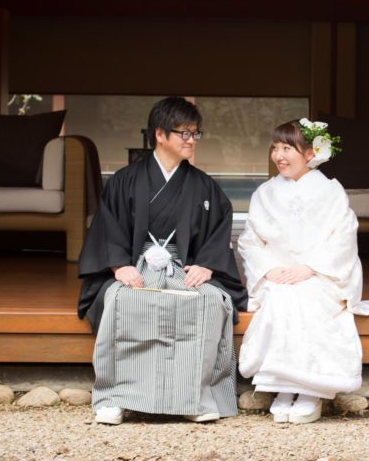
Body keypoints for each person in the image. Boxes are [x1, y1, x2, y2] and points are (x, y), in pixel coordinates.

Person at [77, 96, 248, 425]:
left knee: (210, 301)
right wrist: (118, 265)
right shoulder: (126, 180)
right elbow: (107, 226)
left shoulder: (203, 185)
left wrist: (207, 264)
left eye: (195, 133)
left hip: (183, 266)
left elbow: (218, 228)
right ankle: (115, 398)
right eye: (184, 133)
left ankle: (196, 398)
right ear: (160, 134)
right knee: (121, 299)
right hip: (135, 265)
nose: (191, 140)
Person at [238, 119, 362, 424]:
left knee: (306, 300)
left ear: (310, 153)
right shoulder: (264, 193)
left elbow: (343, 235)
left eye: (287, 148)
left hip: (321, 274)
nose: (279, 156)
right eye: (275, 148)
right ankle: (283, 387)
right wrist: (270, 269)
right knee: (282, 298)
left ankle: (309, 392)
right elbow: (250, 240)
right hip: (279, 275)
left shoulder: (330, 191)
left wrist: (311, 267)